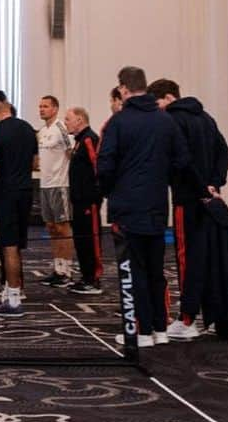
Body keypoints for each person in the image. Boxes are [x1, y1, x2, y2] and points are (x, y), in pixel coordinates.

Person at [97, 66, 190, 348]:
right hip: (157, 205)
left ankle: (140, 331)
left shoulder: (119, 122)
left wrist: (107, 192)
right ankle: (159, 329)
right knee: (155, 269)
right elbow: (182, 161)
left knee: (132, 271)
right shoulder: (166, 121)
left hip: (127, 207)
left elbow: (105, 165)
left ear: (124, 89)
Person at [149, 78, 228, 341]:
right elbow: (223, 151)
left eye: (158, 103)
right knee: (206, 257)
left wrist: (199, 189)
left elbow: (182, 161)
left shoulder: (172, 120)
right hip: (207, 198)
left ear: (169, 98)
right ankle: (211, 316)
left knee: (187, 260)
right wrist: (214, 184)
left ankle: (187, 319)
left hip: (187, 199)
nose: (157, 109)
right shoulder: (206, 117)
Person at [0, 94, 38, 316]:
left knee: (8, 246)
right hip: (25, 192)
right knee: (16, 244)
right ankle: (11, 291)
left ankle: (14, 300)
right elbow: (35, 163)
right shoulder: (28, 129)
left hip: (5, 194)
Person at [64, 106, 103, 296]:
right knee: (81, 241)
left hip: (89, 202)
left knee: (91, 240)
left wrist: (94, 197)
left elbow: (98, 168)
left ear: (80, 120)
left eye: (68, 119)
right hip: (78, 201)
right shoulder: (78, 141)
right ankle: (86, 276)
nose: (66, 123)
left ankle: (94, 279)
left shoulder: (89, 139)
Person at [36, 95, 74, 287]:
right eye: (40, 106)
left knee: (62, 227)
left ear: (55, 109)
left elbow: (71, 154)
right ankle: (57, 268)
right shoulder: (42, 131)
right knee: (51, 228)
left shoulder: (61, 128)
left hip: (60, 184)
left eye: (45, 106)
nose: (41, 109)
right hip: (45, 185)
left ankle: (67, 270)